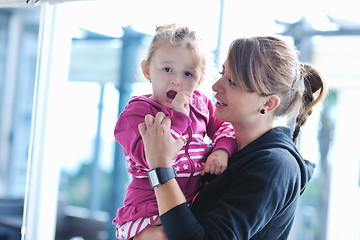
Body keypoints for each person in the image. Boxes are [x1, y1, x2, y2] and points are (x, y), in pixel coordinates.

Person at [136, 35, 327, 239]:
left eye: (232, 82)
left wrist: (160, 166)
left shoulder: (275, 165)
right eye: (222, 73)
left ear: (268, 104)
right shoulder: (227, 152)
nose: (216, 86)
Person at [112, 24, 238, 240]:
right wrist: (180, 117)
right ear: (147, 70)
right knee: (162, 236)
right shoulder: (136, 114)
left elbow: (224, 127)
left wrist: (222, 150)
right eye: (167, 69)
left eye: (188, 73)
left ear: (199, 80)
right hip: (147, 210)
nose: (176, 81)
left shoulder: (201, 104)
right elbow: (150, 157)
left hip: (189, 206)